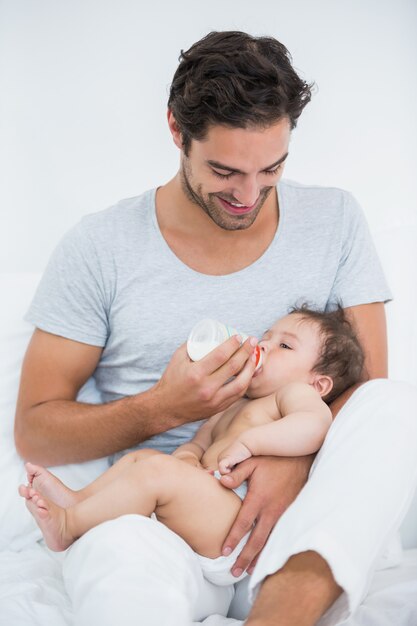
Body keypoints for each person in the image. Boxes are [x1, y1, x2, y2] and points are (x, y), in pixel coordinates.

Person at [13, 30, 417, 626]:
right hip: (166, 523)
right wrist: (162, 410)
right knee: (120, 554)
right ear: (177, 131)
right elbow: (35, 432)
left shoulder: (334, 219)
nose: (249, 195)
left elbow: (366, 397)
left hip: (305, 521)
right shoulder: (100, 247)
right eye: (225, 171)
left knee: (391, 405)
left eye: (272, 169)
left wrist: (292, 463)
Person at [18, 306, 364, 582]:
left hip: (235, 523)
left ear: (319, 384)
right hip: (208, 506)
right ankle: (80, 500)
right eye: (267, 337)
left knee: (155, 471)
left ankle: (68, 526)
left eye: (284, 346)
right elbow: (202, 441)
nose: (263, 346)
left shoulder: (295, 395)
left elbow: (314, 427)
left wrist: (251, 442)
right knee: (145, 457)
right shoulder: (236, 400)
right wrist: (186, 454)